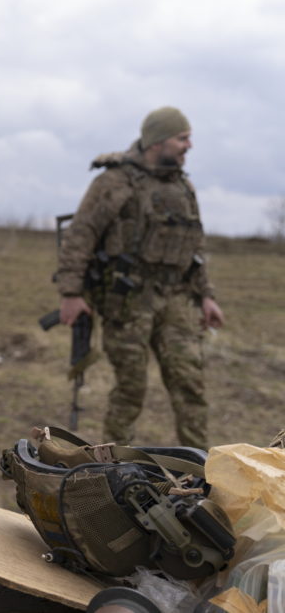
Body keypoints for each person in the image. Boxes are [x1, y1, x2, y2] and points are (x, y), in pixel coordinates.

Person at [56, 106, 224, 449]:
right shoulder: (114, 182)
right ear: (158, 141)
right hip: (128, 300)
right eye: (182, 138)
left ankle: (201, 465)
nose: (189, 146)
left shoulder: (183, 186)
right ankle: (115, 464)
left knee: (190, 385)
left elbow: (195, 245)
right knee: (130, 388)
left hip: (177, 298)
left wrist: (207, 296)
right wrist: (71, 293)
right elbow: (80, 236)